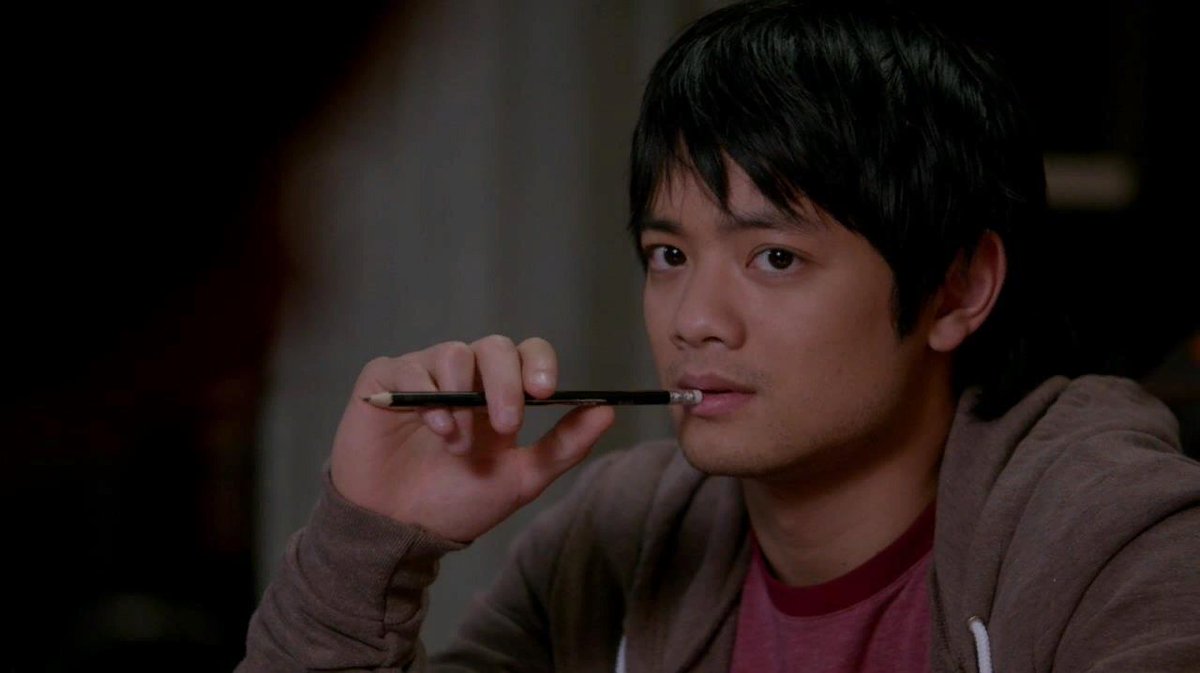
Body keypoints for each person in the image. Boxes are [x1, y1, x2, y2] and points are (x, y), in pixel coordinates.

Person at [238, 1, 1200, 671]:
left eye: (774, 257)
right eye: (668, 254)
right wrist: (368, 538)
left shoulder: (1106, 535)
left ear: (959, 288)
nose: (694, 318)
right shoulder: (617, 538)